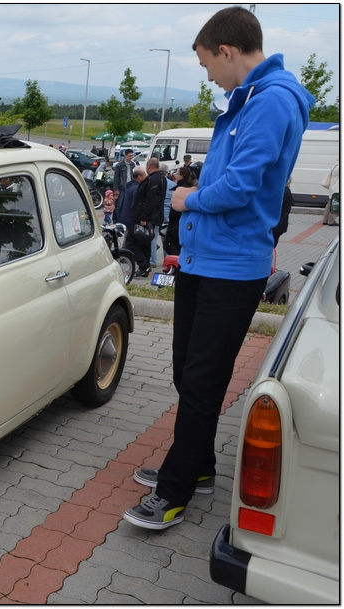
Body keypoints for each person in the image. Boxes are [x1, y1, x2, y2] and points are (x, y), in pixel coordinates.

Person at [125, 6, 314, 530]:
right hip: (204, 258)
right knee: (188, 368)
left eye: (208, 63)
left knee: (204, 379)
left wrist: (185, 199)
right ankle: (199, 463)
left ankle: (175, 489)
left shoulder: (272, 101)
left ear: (228, 51)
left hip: (233, 264)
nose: (208, 75)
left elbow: (241, 186)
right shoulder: (249, 99)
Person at [124, 157, 166, 277]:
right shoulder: (161, 178)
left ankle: (143, 265)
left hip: (144, 217)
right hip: (149, 216)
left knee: (131, 242)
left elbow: (150, 200)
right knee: (144, 242)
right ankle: (145, 267)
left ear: (148, 167)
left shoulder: (154, 179)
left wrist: (144, 217)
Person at [112, 149, 138, 220]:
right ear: (125, 155)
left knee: (128, 205)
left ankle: (124, 220)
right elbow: (116, 178)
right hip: (122, 188)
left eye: (132, 156)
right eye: (129, 156)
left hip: (130, 187)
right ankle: (116, 220)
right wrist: (116, 189)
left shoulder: (133, 164)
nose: (131, 157)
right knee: (118, 206)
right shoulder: (119, 165)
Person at [321, 160, 339, 226]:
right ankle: (331, 221)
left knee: (329, 204)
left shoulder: (335, 165)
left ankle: (325, 220)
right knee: (335, 205)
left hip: (333, 187)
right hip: (337, 188)